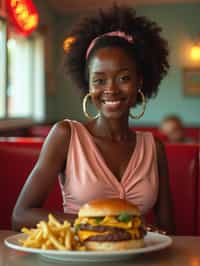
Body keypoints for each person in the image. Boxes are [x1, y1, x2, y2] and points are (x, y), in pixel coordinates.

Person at [12, 5, 175, 234]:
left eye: (123, 78)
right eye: (99, 80)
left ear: (139, 81)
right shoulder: (66, 135)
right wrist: (102, 226)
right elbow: (21, 215)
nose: (111, 89)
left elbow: (170, 230)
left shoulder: (154, 148)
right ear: (88, 85)